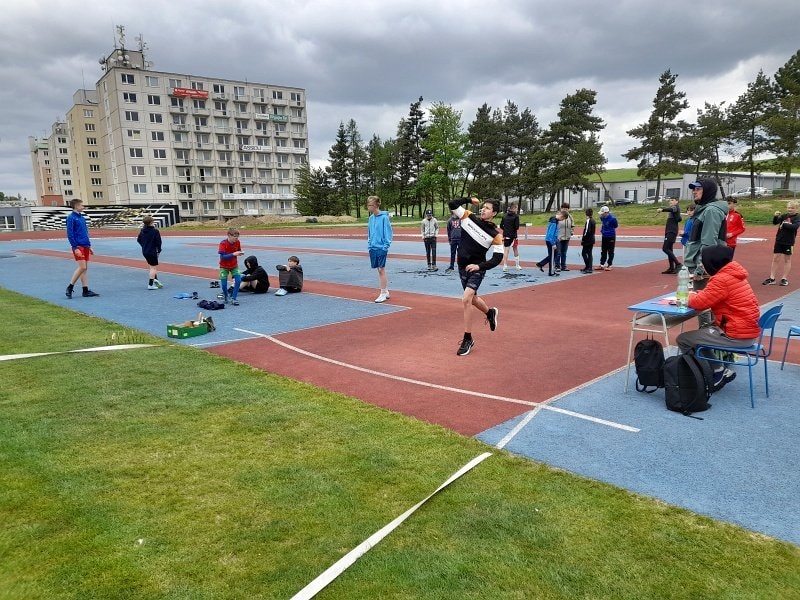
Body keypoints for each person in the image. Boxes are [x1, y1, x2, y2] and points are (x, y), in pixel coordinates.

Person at [677, 245, 760, 392]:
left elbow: (699, 303)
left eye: (703, 262)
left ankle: (702, 373)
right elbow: (711, 296)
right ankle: (717, 369)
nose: (702, 265)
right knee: (703, 332)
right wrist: (698, 295)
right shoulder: (735, 275)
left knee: (684, 339)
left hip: (736, 336)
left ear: (712, 262)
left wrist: (687, 296)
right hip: (747, 333)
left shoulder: (721, 280)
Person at [447, 197, 503, 356]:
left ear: (494, 213)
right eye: (483, 207)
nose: (483, 209)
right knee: (472, 299)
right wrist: (469, 200)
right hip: (462, 267)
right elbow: (452, 204)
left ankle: (468, 338)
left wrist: (479, 266)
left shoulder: (495, 235)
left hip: (477, 269)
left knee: (466, 299)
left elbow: (497, 258)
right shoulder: (468, 217)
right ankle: (490, 313)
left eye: (487, 208)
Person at [683, 179, 727, 284]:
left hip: (703, 270)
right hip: (698, 265)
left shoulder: (711, 211)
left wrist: (701, 268)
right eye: (693, 189)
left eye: (698, 189)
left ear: (708, 191)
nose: (694, 192)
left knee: (703, 293)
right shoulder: (703, 209)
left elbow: (709, 241)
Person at [65, 199, 99, 298]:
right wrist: (75, 248)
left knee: (84, 269)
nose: (83, 207)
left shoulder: (82, 218)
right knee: (82, 267)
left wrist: (89, 245)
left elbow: (85, 232)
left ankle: (85, 290)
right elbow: (70, 234)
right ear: (76, 206)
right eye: (81, 205)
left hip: (85, 245)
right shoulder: (71, 218)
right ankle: (70, 287)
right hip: (78, 245)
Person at [763, 200, 800, 287]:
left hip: (789, 242)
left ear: (796, 209)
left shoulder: (797, 217)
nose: (790, 209)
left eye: (792, 208)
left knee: (787, 260)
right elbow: (775, 222)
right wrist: (776, 216)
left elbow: (795, 227)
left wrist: (784, 224)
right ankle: (772, 278)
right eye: (789, 208)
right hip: (779, 240)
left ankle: (784, 278)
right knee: (775, 258)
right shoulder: (784, 216)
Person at [367, 195, 392, 303]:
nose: (368, 207)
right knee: (379, 270)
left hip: (381, 247)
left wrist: (385, 246)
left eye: (370, 205)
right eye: (368, 205)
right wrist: (369, 244)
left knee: (381, 269)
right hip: (373, 247)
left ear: (376, 205)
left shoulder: (384, 218)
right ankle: (386, 291)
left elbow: (388, 232)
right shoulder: (371, 218)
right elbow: (369, 233)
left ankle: (382, 293)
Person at [218, 227, 244, 305]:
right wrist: (233, 254)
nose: (236, 239)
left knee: (238, 280)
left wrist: (240, 253)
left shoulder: (237, 242)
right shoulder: (223, 244)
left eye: (237, 237)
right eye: (235, 237)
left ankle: (234, 298)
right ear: (229, 235)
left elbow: (238, 250)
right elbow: (223, 257)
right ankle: (226, 297)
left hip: (234, 265)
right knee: (224, 285)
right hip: (224, 266)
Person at [137, 215, 163, 290]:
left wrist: (144, 246)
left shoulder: (142, 231)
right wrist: (159, 250)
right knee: (153, 268)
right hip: (152, 251)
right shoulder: (155, 231)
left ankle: (156, 280)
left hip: (145, 251)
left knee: (151, 266)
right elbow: (158, 242)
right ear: (151, 222)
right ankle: (150, 284)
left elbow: (138, 240)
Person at [656, 197, 682, 274]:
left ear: (677, 201)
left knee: (665, 248)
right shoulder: (674, 209)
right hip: (669, 231)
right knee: (669, 249)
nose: (670, 201)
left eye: (672, 200)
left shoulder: (675, 207)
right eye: (670, 200)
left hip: (671, 231)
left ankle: (678, 264)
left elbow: (671, 209)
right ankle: (671, 268)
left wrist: (662, 209)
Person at [536, 211, 562, 276]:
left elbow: (554, 232)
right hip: (550, 241)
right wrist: (553, 243)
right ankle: (550, 271)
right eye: (562, 218)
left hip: (551, 240)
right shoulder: (554, 222)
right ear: (560, 215)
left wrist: (556, 238)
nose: (562, 220)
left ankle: (542, 264)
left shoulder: (554, 221)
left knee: (553, 255)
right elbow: (550, 234)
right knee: (553, 256)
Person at [500, 202, 521, 271]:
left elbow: (501, 225)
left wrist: (506, 229)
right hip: (513, 236)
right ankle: (517, 265)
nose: (517, 209)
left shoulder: (504, 216)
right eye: (516, 208)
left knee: (506, 250)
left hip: (506, 235)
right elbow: (517, 227)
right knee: (515, 249)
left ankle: (505, 266)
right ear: (514, 208)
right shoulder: (516, 216)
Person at [597, 205, 618, 271]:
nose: (601, 214)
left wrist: (609, 230)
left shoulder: (613, 219)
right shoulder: (602, 218)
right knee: (603, 251)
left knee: (610, 251)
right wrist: (603, 231)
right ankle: (602, 264)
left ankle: (610, 265)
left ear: (606, 212)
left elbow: (616, 226)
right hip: (604, 236)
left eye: (602, 213)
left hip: (611, 236)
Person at [556, 201, 574, 271]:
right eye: (564, 208)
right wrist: (557, 236)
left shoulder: (570, 216)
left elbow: (572, 225)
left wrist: (572, 231)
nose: (565, 210)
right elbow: (554, 226)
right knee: (558, 252)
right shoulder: (558, 216)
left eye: (567, 208)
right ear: (561, 208)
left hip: (567, 237)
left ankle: (563, 266)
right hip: (559, 237)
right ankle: (557, 266)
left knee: (564, 252)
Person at [580, 207, 596, 274]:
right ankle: (589, 267)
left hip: (587, 240)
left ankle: (588, 267)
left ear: (586, 213)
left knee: (584, 253)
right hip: (592, 239)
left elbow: (587, 231)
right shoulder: (593, 220)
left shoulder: (588, 220)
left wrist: (583, 239)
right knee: (589, 253)